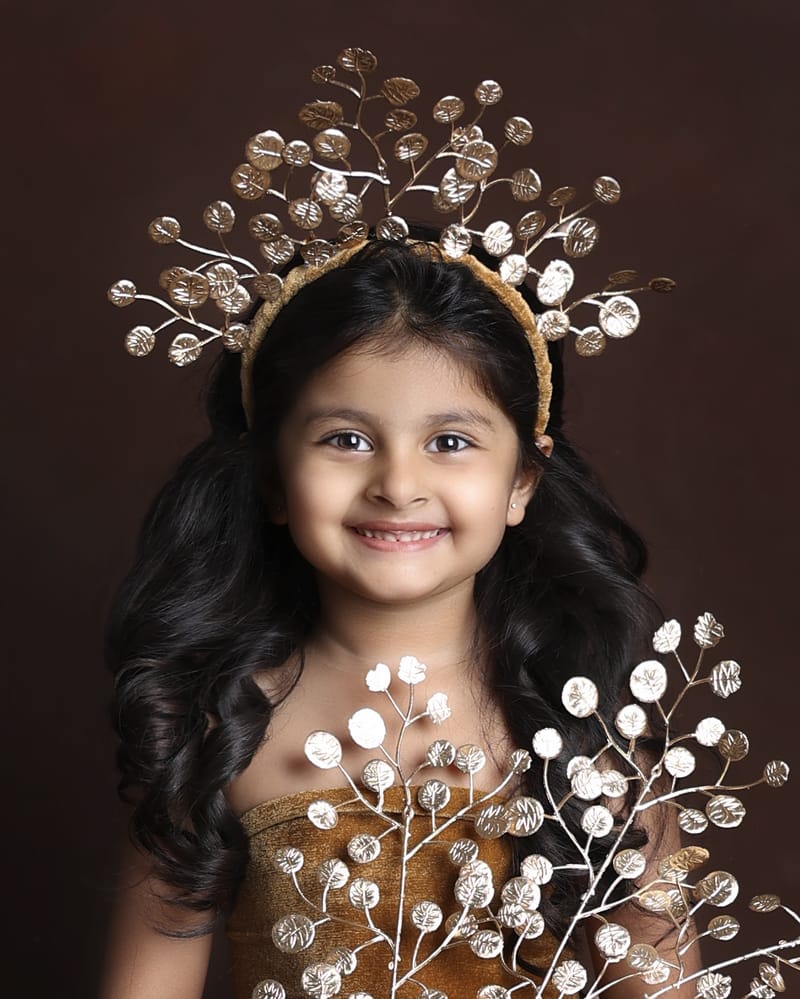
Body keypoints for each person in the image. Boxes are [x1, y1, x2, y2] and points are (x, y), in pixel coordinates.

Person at [102, 47, 779, 999]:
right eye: (345, 438)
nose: (398, 484)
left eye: (452, 441)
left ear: (522, 483)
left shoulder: (592, 739)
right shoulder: (215, 728)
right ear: (267, 477)